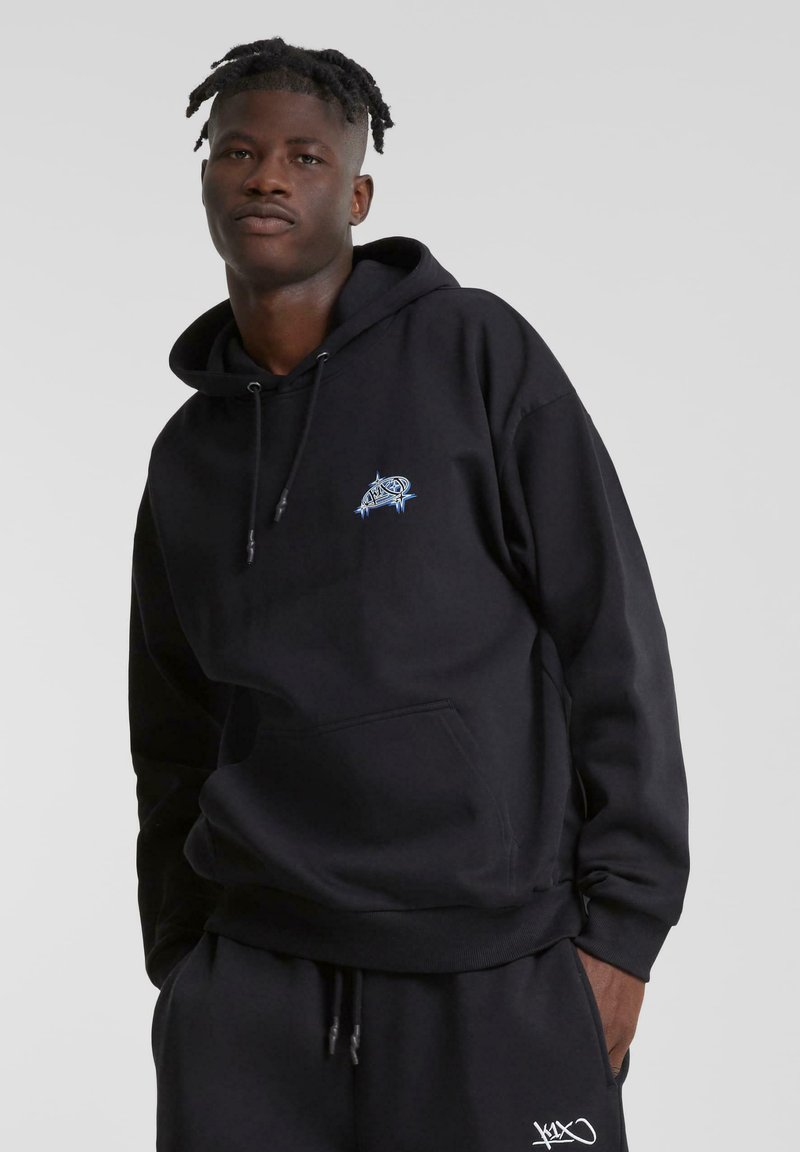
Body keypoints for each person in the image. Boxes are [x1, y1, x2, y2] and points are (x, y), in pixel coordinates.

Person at [128, 34, 689, 1152]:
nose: (267, 177)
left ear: (357, 194)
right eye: (238, 152)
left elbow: (609, 634)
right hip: (252, 990)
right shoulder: (189, 453)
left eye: (304, 156)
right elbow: (171, 727)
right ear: (205, 179)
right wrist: (183, 965)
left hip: (493, 971)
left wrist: (622, 934)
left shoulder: (475, 353)